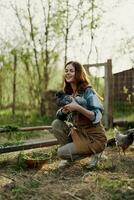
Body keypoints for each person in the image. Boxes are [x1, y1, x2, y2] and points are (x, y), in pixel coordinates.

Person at [51, 61, 107, 168]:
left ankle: (96, 153)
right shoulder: (69, 93)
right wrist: (64, 111)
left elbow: (97, 116)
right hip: (80, 134)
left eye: (71, 71)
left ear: (78, 73)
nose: (67, 73)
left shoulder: (88, 91)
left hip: (94, 138)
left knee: (61, 153)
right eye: (66, 71)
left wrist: (77, 107)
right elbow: (59, 115)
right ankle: (70, 158)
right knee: (56, 124)